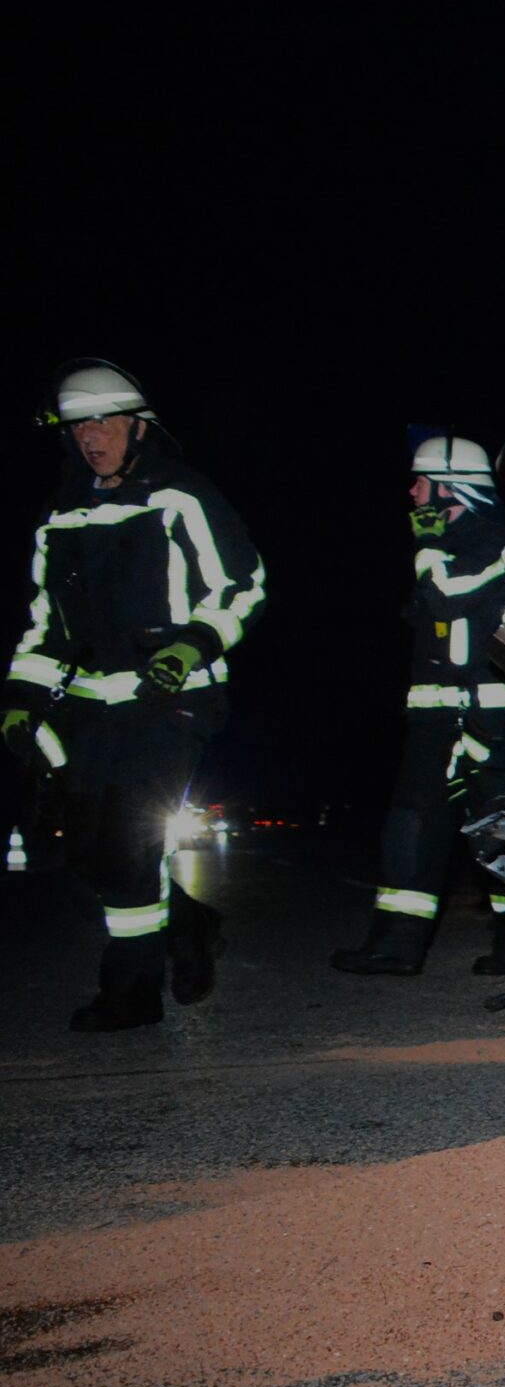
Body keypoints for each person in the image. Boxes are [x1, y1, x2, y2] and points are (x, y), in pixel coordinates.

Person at [3, 360, 265, 1030]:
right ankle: (191, 923)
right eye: (77, 426)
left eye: (103, 421)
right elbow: (44, 622)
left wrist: (190, 646)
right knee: (88, 849)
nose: (90, 436)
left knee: (125, 841)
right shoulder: (60, 515)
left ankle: (131, 992)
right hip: (91, 708)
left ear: (139, 427)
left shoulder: (181, 495)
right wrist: (21, 696)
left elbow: (242, 584)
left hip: (171, 700)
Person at [331, 435, 505, 976]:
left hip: (483, 716)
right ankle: (396, 946)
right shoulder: (455, 543)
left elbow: (448, 596)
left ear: (451, 488)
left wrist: (427, 546)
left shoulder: (490, 542)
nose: (412, 492)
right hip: (440, 716)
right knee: (414, 823)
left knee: (497, 828)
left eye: (421, 482)